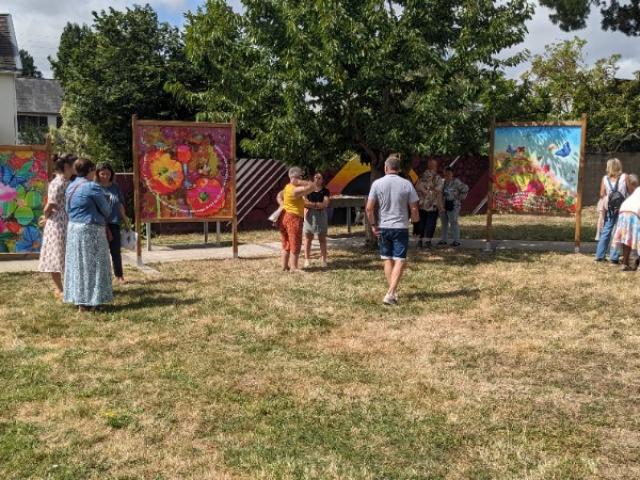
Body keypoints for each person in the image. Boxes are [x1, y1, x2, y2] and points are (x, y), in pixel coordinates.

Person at [366, 154, 420, 306]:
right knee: (400, 259)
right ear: (399, 169)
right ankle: (391, 293)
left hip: (383, 226)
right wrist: (415, 223)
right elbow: (414, 208)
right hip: (400, 227)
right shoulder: (406, 184)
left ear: (385, 168)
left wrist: (372, 225)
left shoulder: (377, 183)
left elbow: (369, 208)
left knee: (387, 258)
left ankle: (392, 292)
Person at [63, 158, 114, 311]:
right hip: (91, 230)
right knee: (95, 266)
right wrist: (109, 201)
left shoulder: (70, 186)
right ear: (91, 170)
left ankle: (81, 302)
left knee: (78, 265)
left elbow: (67, 209)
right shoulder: (92, 187)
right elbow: (107, 210)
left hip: (73, 229)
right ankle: (94, 302)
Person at [38, 153, 76, 299]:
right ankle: (60, 289)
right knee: (56, 255)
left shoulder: (66, 181)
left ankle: (66, 287)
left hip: (64, 221)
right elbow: (50, 204)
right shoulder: (58, 182)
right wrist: (45, 217)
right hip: (58, 223)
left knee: (63, 254)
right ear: (67, 166)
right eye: (74, 164)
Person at [96, 162, 129, 283]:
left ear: (111, 174)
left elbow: (120, 204)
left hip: (114, 222)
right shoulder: (94, 186)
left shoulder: (115, 187)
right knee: (100, 252)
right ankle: (103, 278)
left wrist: (125, 221)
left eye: (108, 173)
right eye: (102, 173)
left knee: (115, 251)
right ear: (98, 174)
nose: (105, 176)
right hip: (99, 224)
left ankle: (119, 276)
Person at [277, 167, 316, 271]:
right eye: (301, 176)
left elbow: (278, 196)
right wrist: (300, 181)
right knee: (295, 241)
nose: (302, 178)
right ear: (297, 177)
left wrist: (282, 204)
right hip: (294, 218)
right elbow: (313, 186)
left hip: (284, 217)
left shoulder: (287, 187)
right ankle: (294, 268)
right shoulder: (295, 190)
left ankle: (285, 266)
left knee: (286, 243)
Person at [595, 158, 630, 264]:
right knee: (617, 231)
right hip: (622, 207)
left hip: (610, 207)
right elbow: (629, 191)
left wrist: (609, 196)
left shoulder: (605, 179)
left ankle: (600, 256)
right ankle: (614, 258)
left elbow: (601, 194)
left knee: (606, 230)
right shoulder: (625, 177)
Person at [612, 174, 640, 271]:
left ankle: (625, 263)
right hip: (634, 212)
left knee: (626, 238)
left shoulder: (634, 193)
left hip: (623, 211)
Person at [303, 172, 330, 268]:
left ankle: (324, 260)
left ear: (322, 180)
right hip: (309, 215)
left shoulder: (325, 191)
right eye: (316, 177)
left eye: (320, 178)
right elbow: (304, 202)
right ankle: (307, 259)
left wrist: (311, 204)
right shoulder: (307, 190)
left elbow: (325, 204)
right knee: (308, 238)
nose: (317, 179)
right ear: (313, 178)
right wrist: (316, 205)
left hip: (321, 215)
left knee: (322, 238)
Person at [414, 159, 443, 248]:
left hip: (422, 204)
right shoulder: (437, 178)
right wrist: (440, 205)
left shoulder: (422, 176)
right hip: (432, 204)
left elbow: (417, 187)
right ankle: (427, 242)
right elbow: (439, 191)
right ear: (435, 166)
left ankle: (419, 241)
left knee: (421, 222)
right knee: (431, 223)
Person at [438, 166, 469, 247]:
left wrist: (460, 197)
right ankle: (444, 240)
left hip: (454, 205)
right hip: (444, 205)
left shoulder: (456, 182)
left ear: (452, 174)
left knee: (453, 222)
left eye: (449, 173)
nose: (447, 175)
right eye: (445, 173)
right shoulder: (442, 182)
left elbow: (465, 189)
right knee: (444, 222)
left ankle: (456, 240)